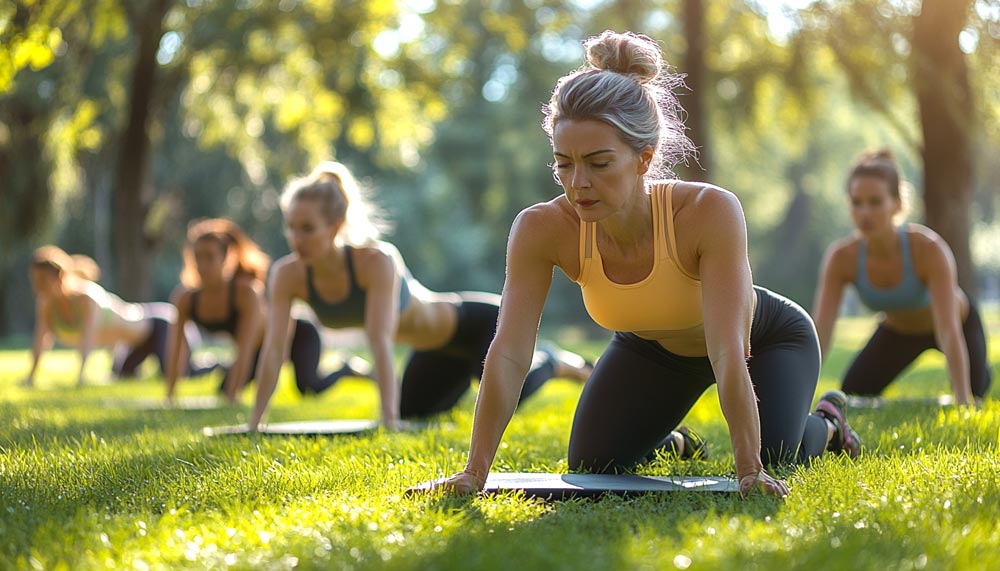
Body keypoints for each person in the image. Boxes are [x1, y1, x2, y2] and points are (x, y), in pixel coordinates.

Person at [430, 30, 861, 498]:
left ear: (644, 158)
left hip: (764, 341)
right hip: (651, 348)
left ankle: (828, 425)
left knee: (778, 454)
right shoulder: (541, 228)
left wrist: (749, 469)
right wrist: (474, 472)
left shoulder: (706, 212)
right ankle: (674, 442)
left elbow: (728, 352)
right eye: (564, 164)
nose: (578, 184)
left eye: (598, 163)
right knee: (595, 463)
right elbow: (510, 352)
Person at [249, 161, 592, 429]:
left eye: (307, 228)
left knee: (507, 394)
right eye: (290, 226)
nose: (296, 239)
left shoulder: (376, 260)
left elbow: (380, 340)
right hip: (434, 349)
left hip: (476, 324)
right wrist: (255, 424)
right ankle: (469, 378)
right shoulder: (287, 274)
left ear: (336, 224)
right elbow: (275, 349)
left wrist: (387, 420)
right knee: (412, 411)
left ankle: (554, 361)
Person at [811, 149, 990, 406]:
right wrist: (801, 394)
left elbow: (948, 330)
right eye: (856, 202)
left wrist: (963, 401)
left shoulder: (928, 249)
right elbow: (821, 331)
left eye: (875, 202)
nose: (865, 213)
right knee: (854, 391)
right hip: (899, 331)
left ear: (897, 203)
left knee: (975, 391)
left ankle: (978, 376)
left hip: (955, 325)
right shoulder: (841, 258)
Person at [165, 217, 368, 405]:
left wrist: (233, 397)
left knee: (308, 388)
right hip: (259, 350)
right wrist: (170, 397)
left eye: (209, 257)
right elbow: (176, 349)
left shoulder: (246, 294)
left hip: (299, 336)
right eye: (197, 257)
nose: (203, 265)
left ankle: (345, 368)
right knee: (223, 390)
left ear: (226, 258)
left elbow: (245, 348)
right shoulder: (185, 298)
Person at [23, 245, 212, 387]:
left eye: (42, 280)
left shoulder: (85, 298)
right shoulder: (46, 304)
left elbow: (87, 339)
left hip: (160, 325)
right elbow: (41, 339)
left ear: (61, 277)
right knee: (122, 376)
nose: (37, 286)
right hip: (134, 343)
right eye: (34, 280)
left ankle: (219, 364)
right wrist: (31, 377)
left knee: (180, 374)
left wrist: (80, 377)